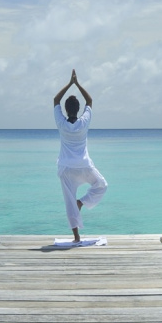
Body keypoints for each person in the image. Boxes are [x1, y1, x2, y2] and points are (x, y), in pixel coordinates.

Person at [53, 69, 107, 243]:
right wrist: (77, 84)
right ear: (78, 110)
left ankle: (76, 236)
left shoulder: (61, 123)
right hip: (83, 165)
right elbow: (89, 101)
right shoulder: (84, 122)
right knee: (101, 185)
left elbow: (55, 100)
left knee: (69, 201)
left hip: (66, 168)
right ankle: (81, 203)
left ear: (66, 111)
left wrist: (69, 84)